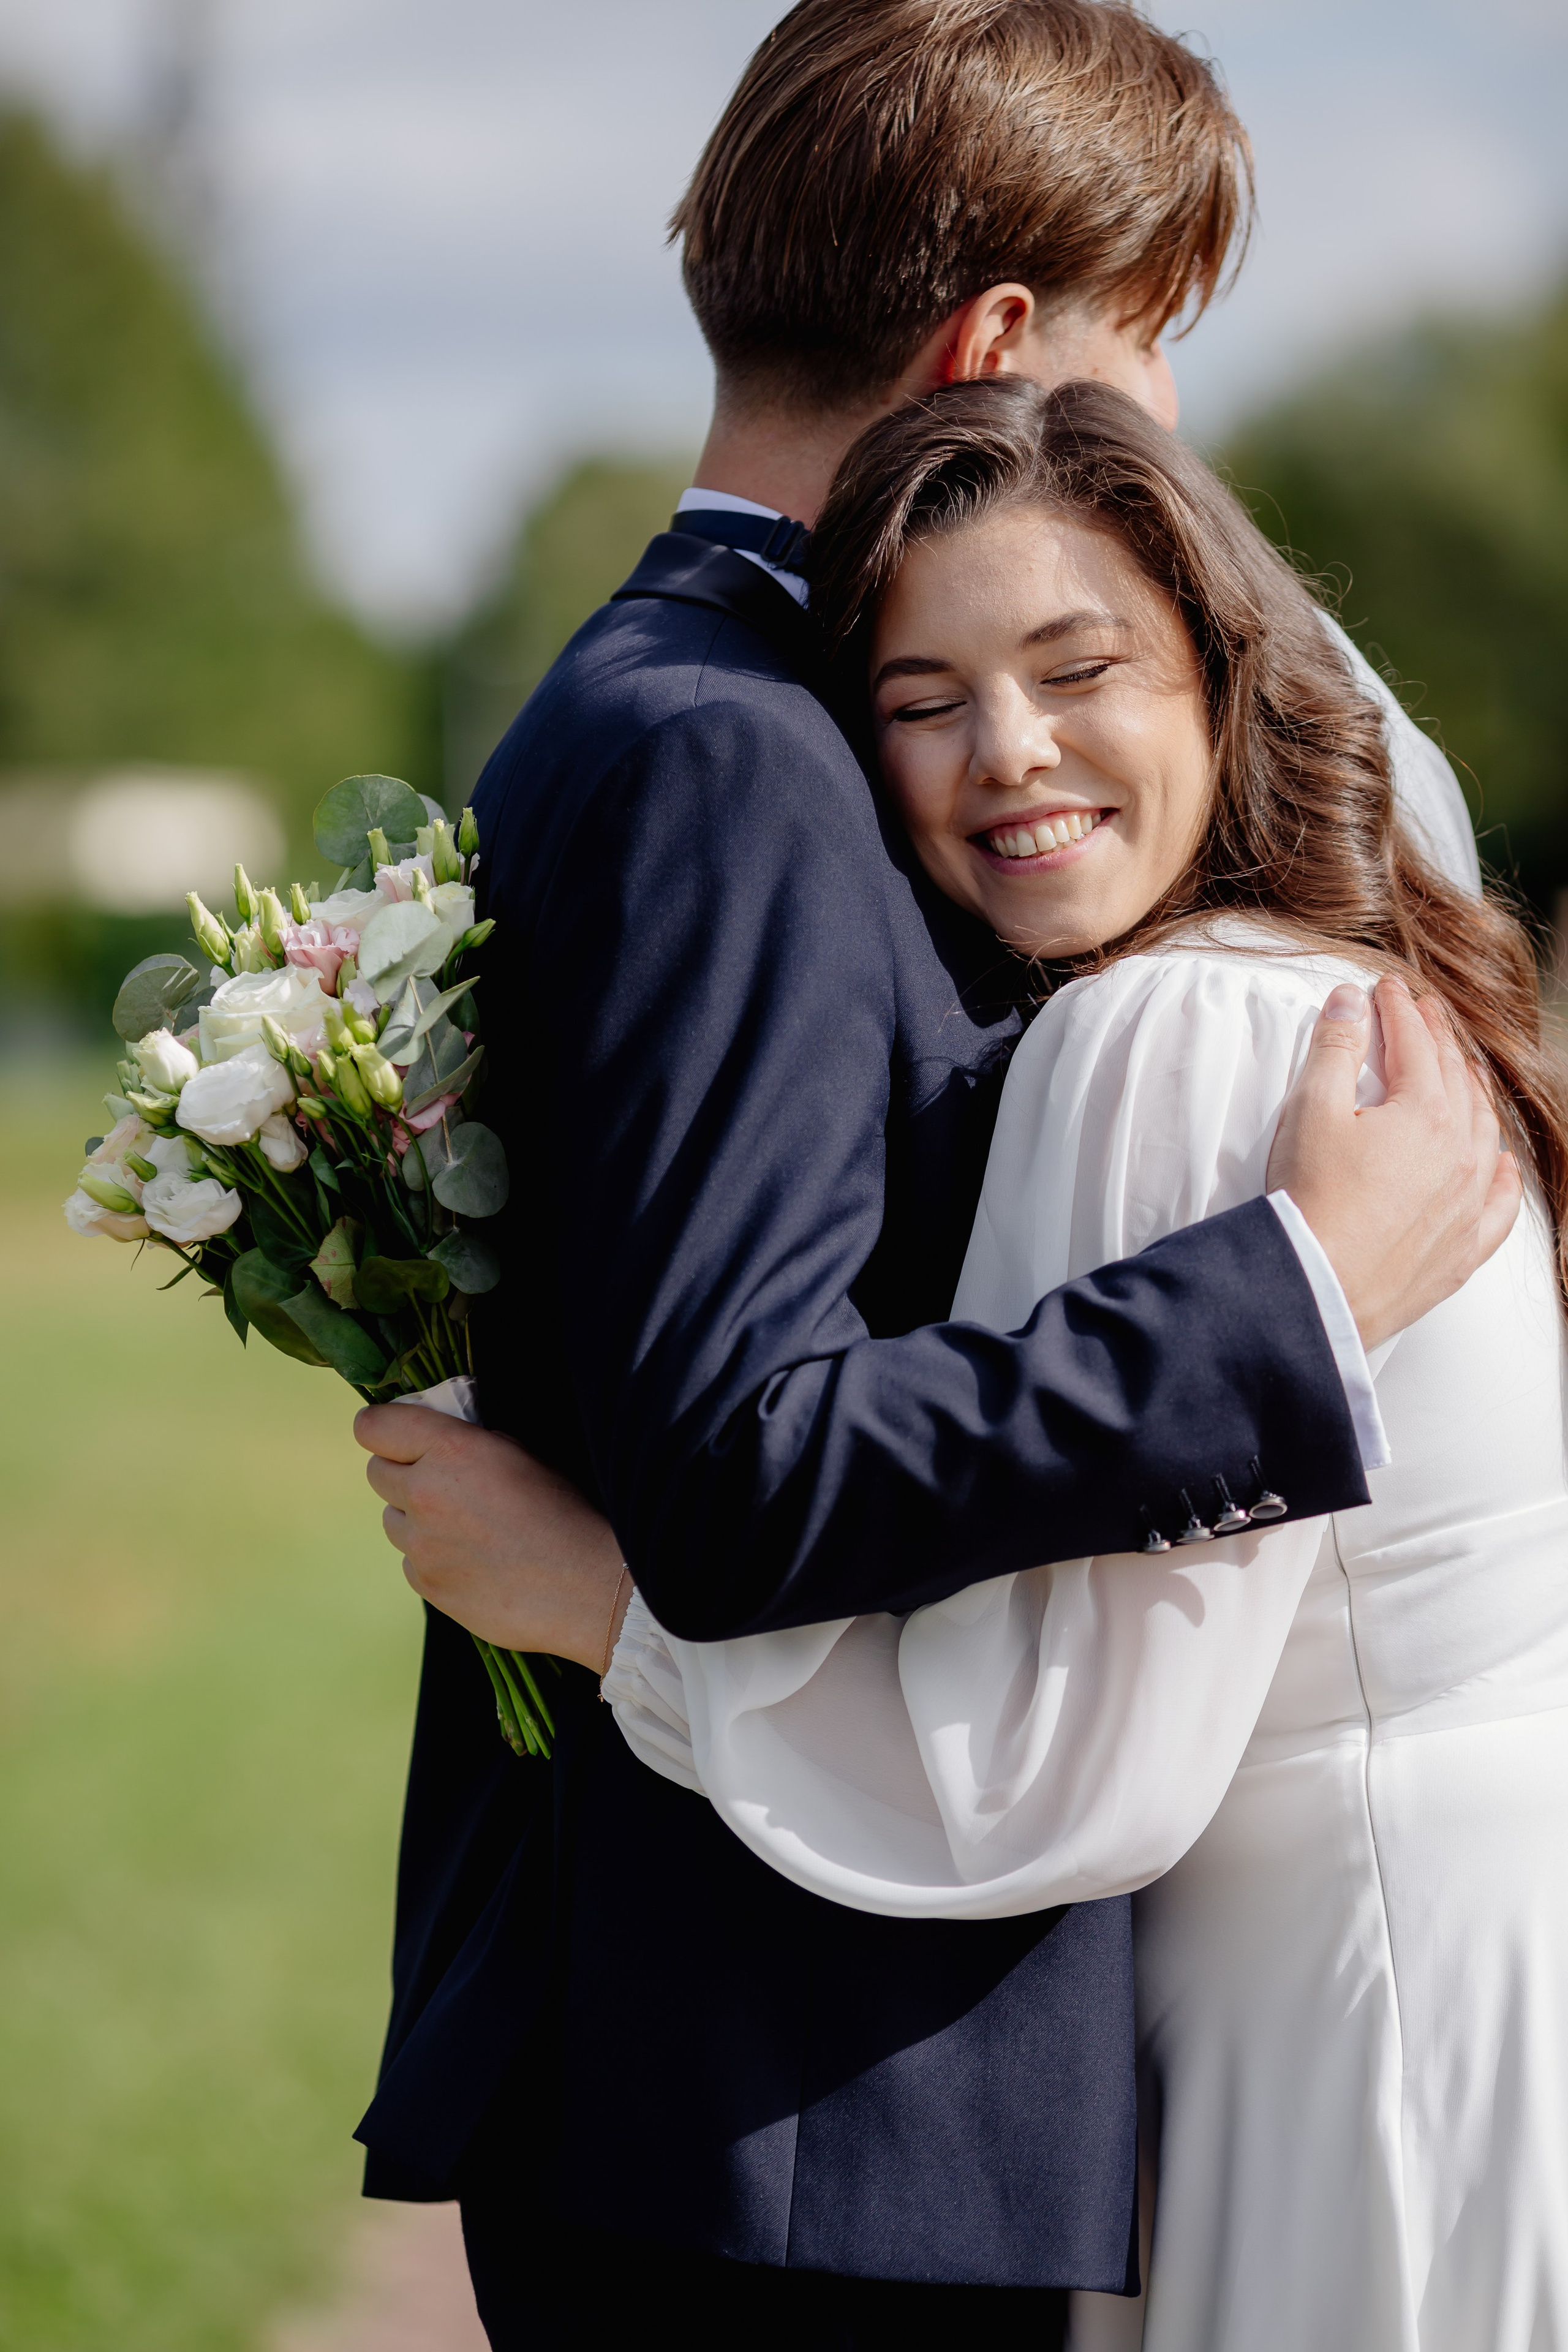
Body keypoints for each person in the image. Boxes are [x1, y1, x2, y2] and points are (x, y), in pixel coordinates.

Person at [353, 6, 1513, 2340]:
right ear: (999, 349)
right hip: (805, 2102)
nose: (1167, 424)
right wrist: (1288, 1293)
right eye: (1153, 344)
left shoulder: (638, 692)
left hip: (771, 2070)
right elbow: (744, 1456)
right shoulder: (747, 759)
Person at [582, 375, 1568, 2348]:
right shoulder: (1360, 986)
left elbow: (1046, 1770)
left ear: (1218, 670)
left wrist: (603, 1613)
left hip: (1347, 2013)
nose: (1007, 754)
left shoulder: (1164, 1037)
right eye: (923, 701)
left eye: (1075, 666)